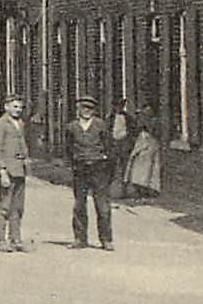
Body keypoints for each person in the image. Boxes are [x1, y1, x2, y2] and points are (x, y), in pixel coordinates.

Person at [66, 95, 115, 250]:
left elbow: (109, 147)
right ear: (78, 109)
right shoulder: (72, 127)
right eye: (83, 108)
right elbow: (68, 148)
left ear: (94, 110)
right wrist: (73, 164)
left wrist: (107, 168)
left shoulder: (101, 125)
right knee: (79, 204)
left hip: (98, 168)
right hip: (80, 169)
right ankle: (80, 239)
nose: (87, 111)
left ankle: (106, 239)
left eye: (90, 108)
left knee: (102, 205)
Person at [0, 93, 30, 252]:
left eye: (20, 107)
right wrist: (2, 170)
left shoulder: (20, 123)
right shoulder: (1, 124)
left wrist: (26, 158)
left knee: (18, 207)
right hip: (8, 169)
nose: (18, 110)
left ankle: (16, 238)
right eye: (14, 106)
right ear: (6, 107)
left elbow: (23, 143)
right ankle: (0, 239)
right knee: (5, 205)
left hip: (20, 169)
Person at [124, 108, 164, 200]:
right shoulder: (139, 126)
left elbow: (154, 135)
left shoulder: (153, 123)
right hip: (142, 144)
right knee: (139, 172)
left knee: (147, 172)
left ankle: (145, 192)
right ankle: (140, 192)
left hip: (148, 146)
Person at [110, 98, 135, 197]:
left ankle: (124, 190)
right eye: (117, 106)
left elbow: (134, 129)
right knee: (113, 167)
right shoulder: (111, 118)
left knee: (125, 167)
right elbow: (107, 130)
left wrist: (128, 136)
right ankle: (113, 190)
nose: (119, 108)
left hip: (124, 144)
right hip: (114, 144)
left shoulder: (128, 117)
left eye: (121, 106)